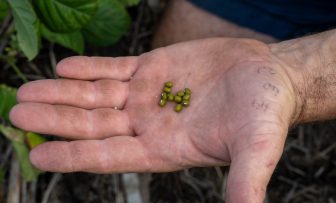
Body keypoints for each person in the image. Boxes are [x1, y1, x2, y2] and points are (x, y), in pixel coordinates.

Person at [9, 0, 336, 202]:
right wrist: (292, 66)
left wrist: (296, 83)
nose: (174, 98)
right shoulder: (174, 95)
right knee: (188, 41)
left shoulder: (176, 97)